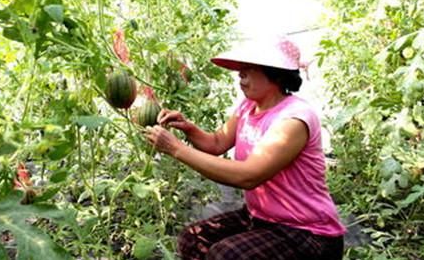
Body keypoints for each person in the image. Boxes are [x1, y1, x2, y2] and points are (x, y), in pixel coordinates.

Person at [144, 36, 345, 260]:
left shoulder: (294, 119)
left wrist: (176, 149)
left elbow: (249, 176)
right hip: (260, 217)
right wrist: (188, 129)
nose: (240, 75)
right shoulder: (248, 107)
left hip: (306, 232)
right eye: (241, 69)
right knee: (193, 239)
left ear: (275, 73)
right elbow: (217, 143)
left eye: (248, 69)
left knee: (225, 256)